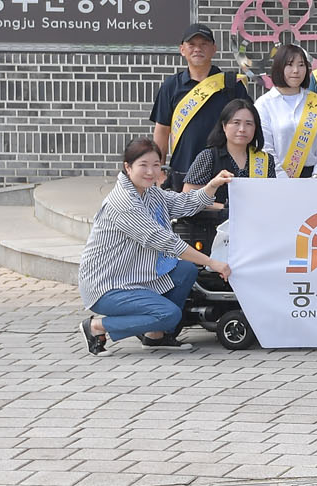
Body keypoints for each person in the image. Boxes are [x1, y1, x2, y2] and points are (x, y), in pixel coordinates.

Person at [77, 139, 232, 354]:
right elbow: (166, 241)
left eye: (156, 165)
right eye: (143, 165)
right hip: (107, 285)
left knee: (185, 270)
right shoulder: (124, 203)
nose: (150, 172)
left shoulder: (150, 193)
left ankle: (155, 336)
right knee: (169, 314)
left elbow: (184, 203)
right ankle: (96, 326)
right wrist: (212, 263)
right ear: (128, 167)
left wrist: (212, 185)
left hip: (135, 274)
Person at [150, 22, 253, 186]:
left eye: (204, 44)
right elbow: (162, 132)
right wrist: (158, 172)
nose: (197, 49)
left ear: (214, 49)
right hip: (182, 172)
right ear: (182, 50)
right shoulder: (171, 86)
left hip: (225, 174)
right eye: (191, 45)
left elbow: (249, 126)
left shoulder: (231, 85)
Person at [185, 98, 273, 220]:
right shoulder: (208, 156)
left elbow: (271, 197)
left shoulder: (265, 160)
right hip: (214, 225)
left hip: (256, 224)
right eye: (236, 123)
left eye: (249, 124)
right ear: (224, 126)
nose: (242, 129)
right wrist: (224, 208)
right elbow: (188, 197)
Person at [256, 44, 317, 178]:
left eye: (301, 65)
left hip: (313, 178)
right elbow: (265, 146)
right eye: (289, 65)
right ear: (279, 67)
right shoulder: (264, 104)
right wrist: (281, 177)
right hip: (276, 177)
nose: (296, 71)